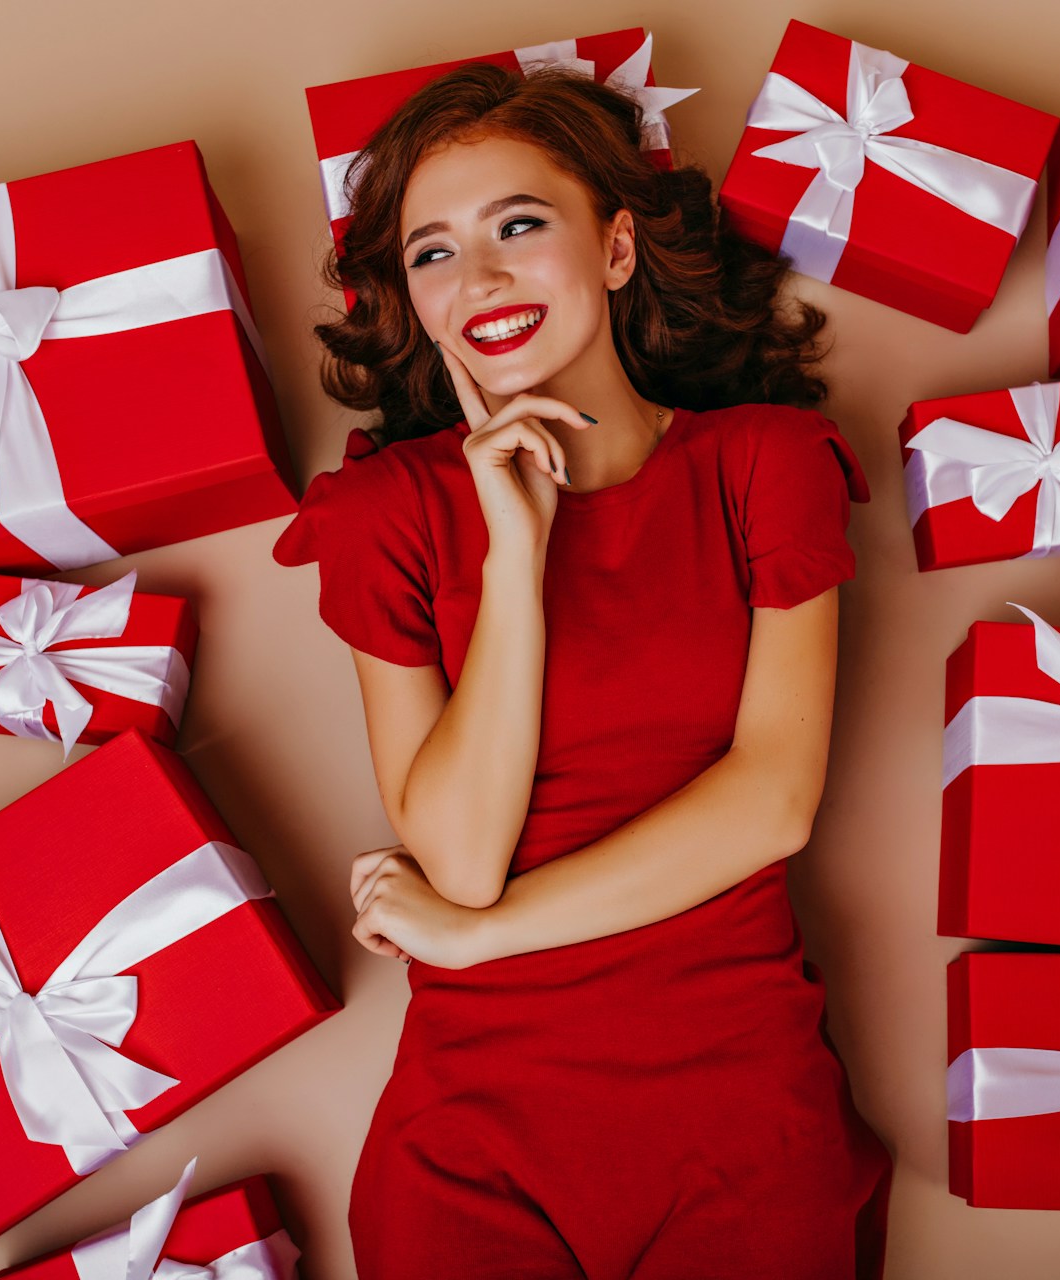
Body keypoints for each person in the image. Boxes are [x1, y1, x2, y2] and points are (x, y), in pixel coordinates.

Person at [273, 59, 892, 1280]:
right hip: (473, 1141)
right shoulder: (385, 513)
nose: (481, 277)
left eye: (519, 224)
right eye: (433, 251)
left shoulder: (765, 465)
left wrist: (471, 939)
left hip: (740, 1116)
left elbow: (772, 801)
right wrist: (516, 553)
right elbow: (455, 855)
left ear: (616, 250)